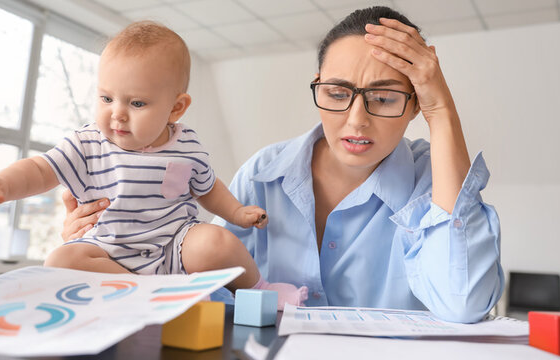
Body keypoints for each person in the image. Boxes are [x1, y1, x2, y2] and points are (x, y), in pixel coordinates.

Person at [62, 7, 504, 323]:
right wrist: (107, 242)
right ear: (317, 88)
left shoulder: (434, 178)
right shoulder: (262, 174)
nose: (356, 119)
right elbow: (197, 281)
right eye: (336, 93)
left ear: (413, 107)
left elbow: (463, 302)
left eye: (385, 98)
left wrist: (442, 110)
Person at [0, 21, 308, 308]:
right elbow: (40, 169)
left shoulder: (188, 145)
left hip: (174, 248)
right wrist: (1, 184)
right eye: (106, 97)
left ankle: (262, 291)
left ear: (176, 108)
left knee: (216, 241)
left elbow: (208, 189)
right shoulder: (88, 142)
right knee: (60, 260)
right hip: (109, 254)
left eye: (136, 103)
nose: (116, 113)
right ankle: (146, 292)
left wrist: (238, 212)